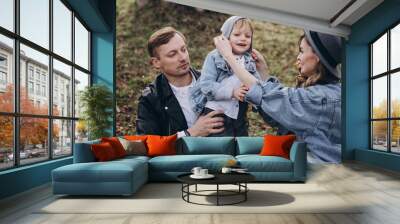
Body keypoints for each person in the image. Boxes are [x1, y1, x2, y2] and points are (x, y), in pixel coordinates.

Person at [214, 29, 342, 163]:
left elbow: (268, 95)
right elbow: (281, 115)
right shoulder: (334, 93)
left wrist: (229, 57)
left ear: (316, 57)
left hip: (318, 173)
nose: (298, 57)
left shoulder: (317, 99)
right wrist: (263, 72)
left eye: (302, 51)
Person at [136, 27, 225, 137]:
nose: (182, 57)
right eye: (172, 54)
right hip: (180, 154)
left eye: (183, 50)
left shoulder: (212, 80)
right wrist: (191, 133)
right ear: (156, 62)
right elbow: (149, 143)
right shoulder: (150, 99)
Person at [190, 16, 261, 137]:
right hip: (217, 113)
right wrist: (232, 92)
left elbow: (258, 86)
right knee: (221, 148)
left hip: (239, 114)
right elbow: (206, 86)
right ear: (226, 36)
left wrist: (250, 95)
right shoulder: (214, 57)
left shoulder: (249, 61)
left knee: (239, 145)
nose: (243, 39)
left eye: (247, 36)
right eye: (237, 34)